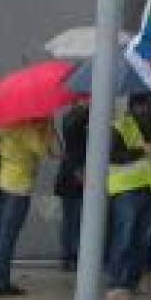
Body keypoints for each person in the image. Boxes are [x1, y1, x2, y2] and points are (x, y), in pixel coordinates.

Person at [0, 117, 56, 297]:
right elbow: (42, 151)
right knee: (8, 235)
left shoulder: (3, 124)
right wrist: (48, 128)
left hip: (3, 181)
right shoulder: (25, 129)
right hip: (19, 186)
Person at [106, 94, 151, 300]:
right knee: (124, 237)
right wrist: (140, 151)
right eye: (144, 107)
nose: (147, 111)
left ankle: (131, 281)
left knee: (141, 240)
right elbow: (113, 155)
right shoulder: (119, 125)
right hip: (126, 188)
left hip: (150, 187)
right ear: (135, 107)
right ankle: (117, 283)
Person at [54, 103, 87, 271]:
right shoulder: (77, 120)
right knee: (73, 218)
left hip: (71, 174)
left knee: (71, 219)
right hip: (74, 175)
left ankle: (69, 255)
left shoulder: (70, 118)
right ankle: (71, 255)